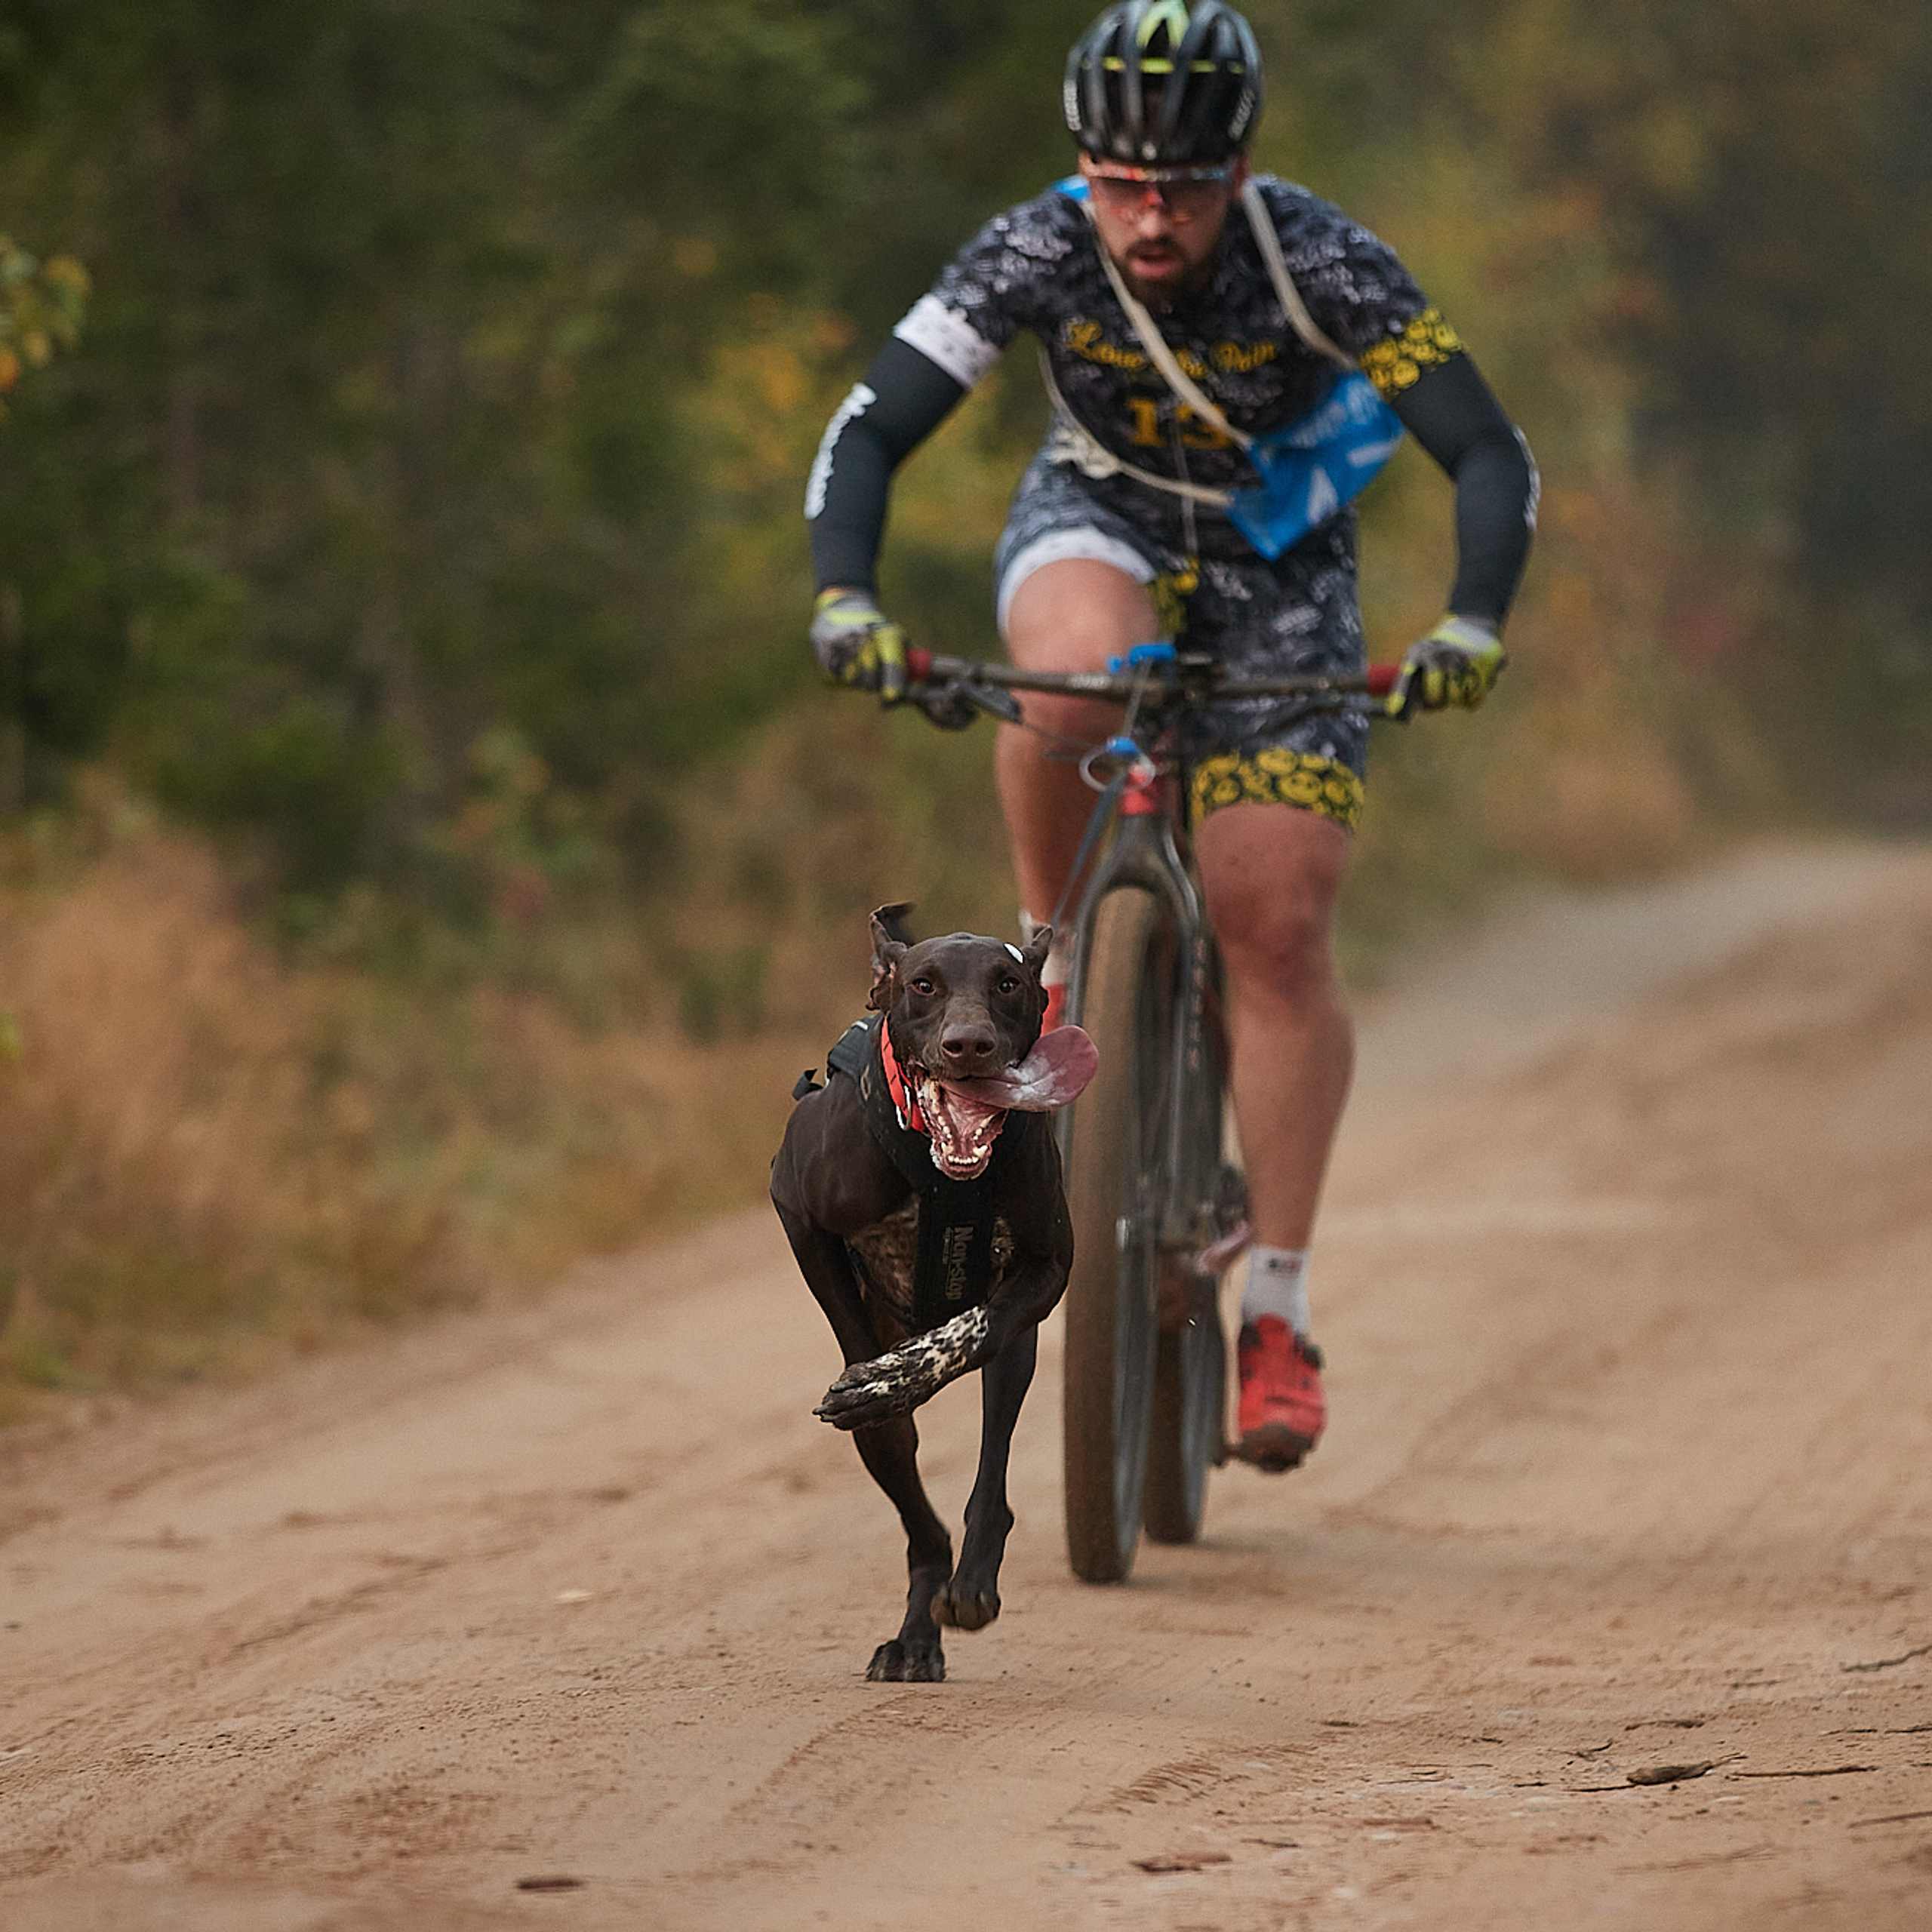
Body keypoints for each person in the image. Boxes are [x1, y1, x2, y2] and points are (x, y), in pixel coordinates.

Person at [803, 1, 1536, 1473]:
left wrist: (1467, 619)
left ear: (1237, 167)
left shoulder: (1318, 257)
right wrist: (844, 595)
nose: (1148, 213)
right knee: (1064, 676)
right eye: (1120, 180)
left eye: (1182, 185)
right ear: (1085, 164)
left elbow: (1483, 448)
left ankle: (1273, 1307)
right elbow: (870, 427)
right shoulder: (1033, 246)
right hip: (1095, 521)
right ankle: (1045, 956)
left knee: (1271, 914)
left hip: (1282, 577)